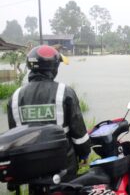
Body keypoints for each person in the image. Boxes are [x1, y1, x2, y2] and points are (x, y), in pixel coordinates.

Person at [7, 45, 91, 181]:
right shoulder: (65, 92)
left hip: (30, 170)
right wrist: (84, 154)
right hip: (64, 168)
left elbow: (14, 135)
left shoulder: (15, 97)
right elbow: (78, 132)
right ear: (54, 68)